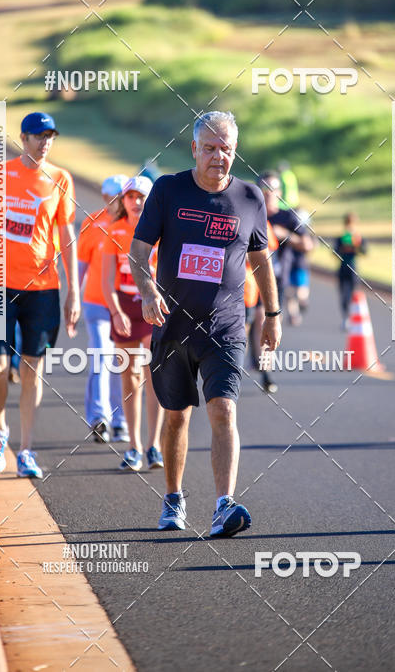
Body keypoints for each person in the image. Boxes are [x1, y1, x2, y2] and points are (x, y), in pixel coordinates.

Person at [129, 111, 281, 536]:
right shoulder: (168, 190)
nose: (218, 156)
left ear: (235, 150)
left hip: (225, 327)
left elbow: (260, 260)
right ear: (194, 149)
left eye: (225, 149)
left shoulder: (250, 198)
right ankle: (173, 498)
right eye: (210, 148)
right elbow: (138, 252)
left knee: (223, 409)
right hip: (173, 325)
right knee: (176, 416)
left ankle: (223, 505)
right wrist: (147, 290)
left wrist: (272, 315)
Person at [0, 112, 80, 478]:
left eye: (50, 136)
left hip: (43, 289)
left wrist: (73, 291)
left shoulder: (61, 179)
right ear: (23, 138)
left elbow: (66, 237)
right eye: (38, 136)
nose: (45, 142)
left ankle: (26, 450)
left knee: (33, 370)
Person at [102, 176, 164, 471]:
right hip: (125, 307)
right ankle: (134, 447)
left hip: (154, 307)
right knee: (129, 377)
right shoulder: (114, 231)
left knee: (154, 375)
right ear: (123, 201)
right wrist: (116, 312)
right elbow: (106, 281)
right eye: (131, 197)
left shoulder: (161, 232)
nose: (136, 202)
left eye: (142, 197)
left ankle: (154, 446)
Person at [78, 174, 129, 443]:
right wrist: (72, 297)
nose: (117, 202)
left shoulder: (136, 223)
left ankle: (121, 420)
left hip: (126, 306)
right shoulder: (92, 223)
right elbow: (81, 265)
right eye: (113, 197)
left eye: (122, 197)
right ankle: (100, 418)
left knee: (122, 362)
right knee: (101, 356)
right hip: (96, 303)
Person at [257, 172, 314, 326]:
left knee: (272, 322)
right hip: (253, 277)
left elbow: (308, 244)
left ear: (280, 192)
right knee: (253, 320)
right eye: (265, 188)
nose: (269, 193)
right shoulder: (252, 215)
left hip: (278, 278)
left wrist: (285, 235)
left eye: (273, 188)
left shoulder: (288, 217)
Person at [245, 219, 280, 393]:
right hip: (240, 287)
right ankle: (230, 374)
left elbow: (269, 251)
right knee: (241, 334)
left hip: (258, 285)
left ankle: (266, 374)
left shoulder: (262, 221)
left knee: (262, 326)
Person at [335, 213, 367, 329]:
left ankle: (353, 317)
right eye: (348, 223)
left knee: (354, 294)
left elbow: (364, 251)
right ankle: (345, 318)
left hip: (353, 269)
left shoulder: (358, 238)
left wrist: (357, 245)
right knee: (344, 294)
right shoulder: (340, 238)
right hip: (343, 269)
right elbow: (335, 252)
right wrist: (343, 248)